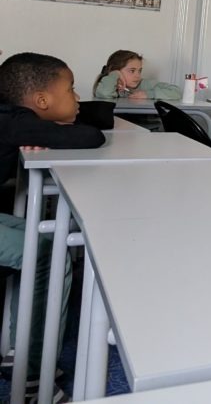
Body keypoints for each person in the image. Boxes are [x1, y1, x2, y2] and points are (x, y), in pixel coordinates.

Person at [0, 52, 106, 401]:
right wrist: (50, 131)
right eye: (71, 89)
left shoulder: (12, 118)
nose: (77, 97)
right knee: (47, 251)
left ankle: (21, 354)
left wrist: (47, 131)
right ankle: (32, 379)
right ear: (42, 101)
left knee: (39, 234)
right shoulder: (16, 123)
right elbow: (92, 136)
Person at [93, 50, 181, 100]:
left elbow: (177, 92)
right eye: (132, 71)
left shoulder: (146, 84)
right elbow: (104, 93)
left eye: (139, 71)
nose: (138, 76)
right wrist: (115, 73)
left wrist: (148, 94)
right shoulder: (108, 84)